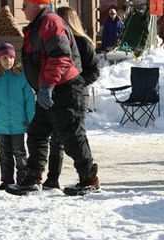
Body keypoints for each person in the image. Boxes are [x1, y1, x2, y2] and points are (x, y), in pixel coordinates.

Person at [8, 0, 99, 196]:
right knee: (37, 133)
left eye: (25, 5)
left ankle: (88, 178)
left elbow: (60, 57)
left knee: (72, 136)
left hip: (63, 88)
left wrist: (47, 85)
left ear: (36, 4)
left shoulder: (50, 22)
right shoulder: (37, 26)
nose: (22, 8)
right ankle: (33, 176)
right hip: (49, 88)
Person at [43, 6, 100, 190]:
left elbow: (94, 71)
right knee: (56, 137)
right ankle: (53, 178)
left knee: (74, 136)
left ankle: (87, 176)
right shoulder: (58, 40)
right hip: (58, 93)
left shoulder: (83, 43)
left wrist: (77, 83)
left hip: (76, 94)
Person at [0, 43, 34, 190]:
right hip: (1, 124)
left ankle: (22, 180)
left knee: (19, 152)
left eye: (10, 58)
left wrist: (32, 121)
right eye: (4, 58)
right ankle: (7, 180)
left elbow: (29, 101)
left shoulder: (21, 78)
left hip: (19, 123)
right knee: (4, 154)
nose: (8, 61)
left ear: (15, 59)